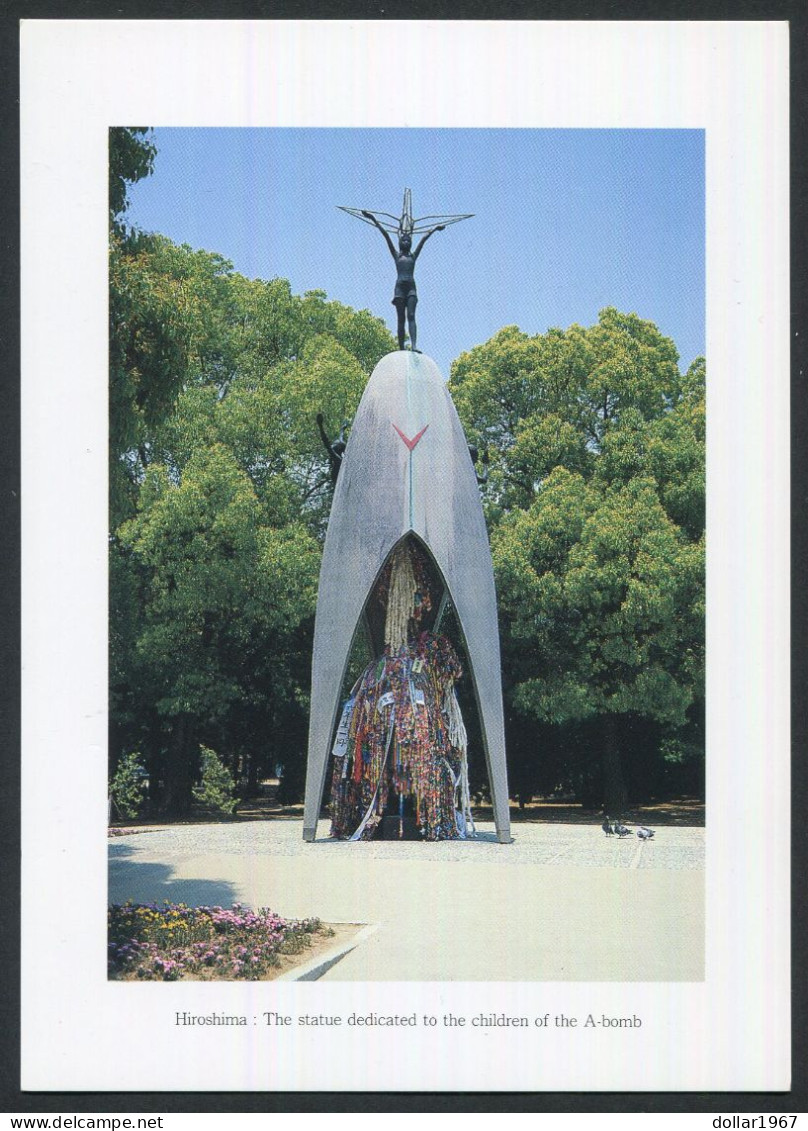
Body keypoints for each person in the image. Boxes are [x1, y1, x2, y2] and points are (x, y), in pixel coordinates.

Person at [362, 210, 444, 351]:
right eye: (403, 240)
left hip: (411, 287)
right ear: (400, 242)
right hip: (399, 288)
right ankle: (401, 348)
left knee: (411, 315)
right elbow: (386, 235)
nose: (406, 241)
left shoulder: (413, 256)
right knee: (401, 319)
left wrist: (434, 229)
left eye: (408, 240)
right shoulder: (397, 256)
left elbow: (423, 240)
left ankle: (413, 345)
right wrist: (373, 219)